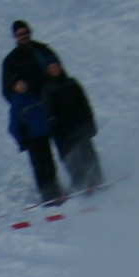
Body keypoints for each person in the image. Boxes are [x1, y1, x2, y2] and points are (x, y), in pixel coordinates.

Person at [43, 61, 103, 193]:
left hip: (81, 126)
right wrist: (56, 128)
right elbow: (49, 113)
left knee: (89, 154)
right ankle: (80, 185)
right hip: (64, 131)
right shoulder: (47, 89)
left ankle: (97, 180)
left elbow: (85, 104)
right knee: (73, 159)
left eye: (56, 67)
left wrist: (90, 122)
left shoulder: (72, 83)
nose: (55, 70)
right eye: (51, 68)